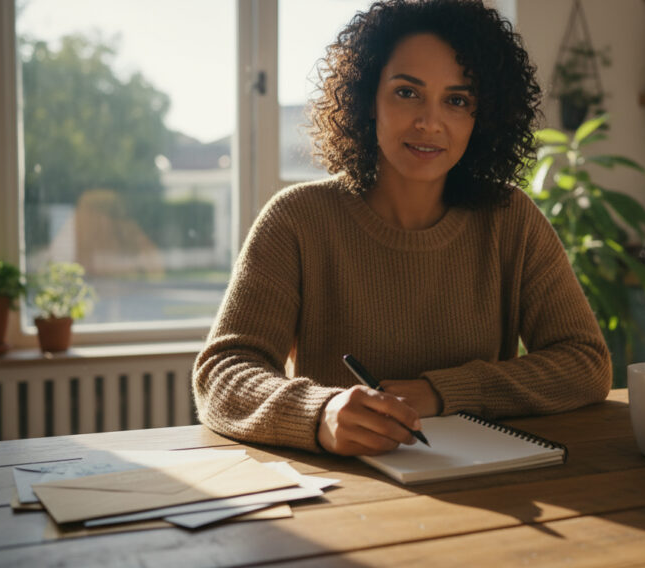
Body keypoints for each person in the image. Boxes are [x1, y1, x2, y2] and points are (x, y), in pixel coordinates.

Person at [193, 0, 611, 456]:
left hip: (489, 486)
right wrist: (320, 412)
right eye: (407, 92)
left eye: (457, 100)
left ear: (481, 118)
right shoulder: (296, 219)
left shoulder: (511, 220)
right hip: (340, 495)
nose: (429, 122)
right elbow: (223, 372)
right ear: (368, 97)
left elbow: (585, 363)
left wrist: (441, 392)